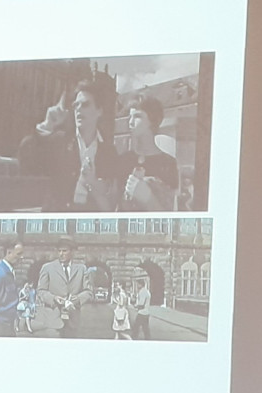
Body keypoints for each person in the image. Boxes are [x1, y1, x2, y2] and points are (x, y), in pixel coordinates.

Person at [43, 80, 119, 212]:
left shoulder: (109, 152)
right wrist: (46, 126)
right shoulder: (59, 141)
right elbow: (25, 160)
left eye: (85, 104)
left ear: (99, 111)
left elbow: (111, 206)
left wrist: (93, 183)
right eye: (76, 105)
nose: (78, 108)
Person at [117, 96, 178, 211]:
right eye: (130, 117)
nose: (130, 122)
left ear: (152, 120)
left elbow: (169, 213)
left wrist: (148, 197)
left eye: (137, 116)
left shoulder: (168, 164)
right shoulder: (123, 160)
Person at [36, 237, 93, 337]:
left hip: (73, 320)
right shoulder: (47, 268)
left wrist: (78, 299)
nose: (61, 254)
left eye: (64, 251)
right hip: (53, 320)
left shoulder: (81, 269)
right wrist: (53, 298)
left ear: (72, 252)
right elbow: (41, 291)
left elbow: (89, 291)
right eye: (59, 251)